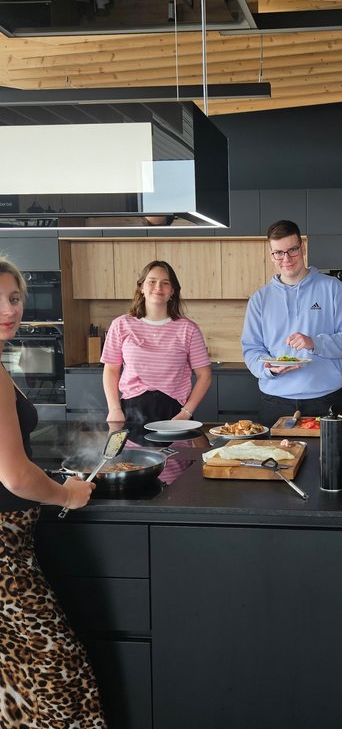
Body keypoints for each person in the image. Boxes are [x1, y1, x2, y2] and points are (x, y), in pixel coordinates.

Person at [0, 255, 106, 727]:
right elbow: (15, 477)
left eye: (15, 298)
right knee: (59, 675)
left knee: (13, 681)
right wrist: (67, 494)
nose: (9, 309)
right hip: (3, 555)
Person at [242, 219, 342, 427]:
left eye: (292, 250)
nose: (286, 258)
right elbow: (251, 349)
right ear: (271, 255)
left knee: (329, 450)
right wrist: (268, 368)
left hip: (326, 399)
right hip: (275, 400)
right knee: (273, 451)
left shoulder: (333, 288)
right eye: (278, 253)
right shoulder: (260, 299)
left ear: (303, 248)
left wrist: (315, 342)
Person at [101, 260, 212, 424]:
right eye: (152, 281)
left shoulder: (188, 329)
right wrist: (114, 409)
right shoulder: (121, 325)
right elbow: (111, 370)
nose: (158, 287)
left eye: (165, 283)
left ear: (172, 291)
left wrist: (186, 413)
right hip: (131, 411)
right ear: (141, 287)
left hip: (174, 413)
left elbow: (205, 375)